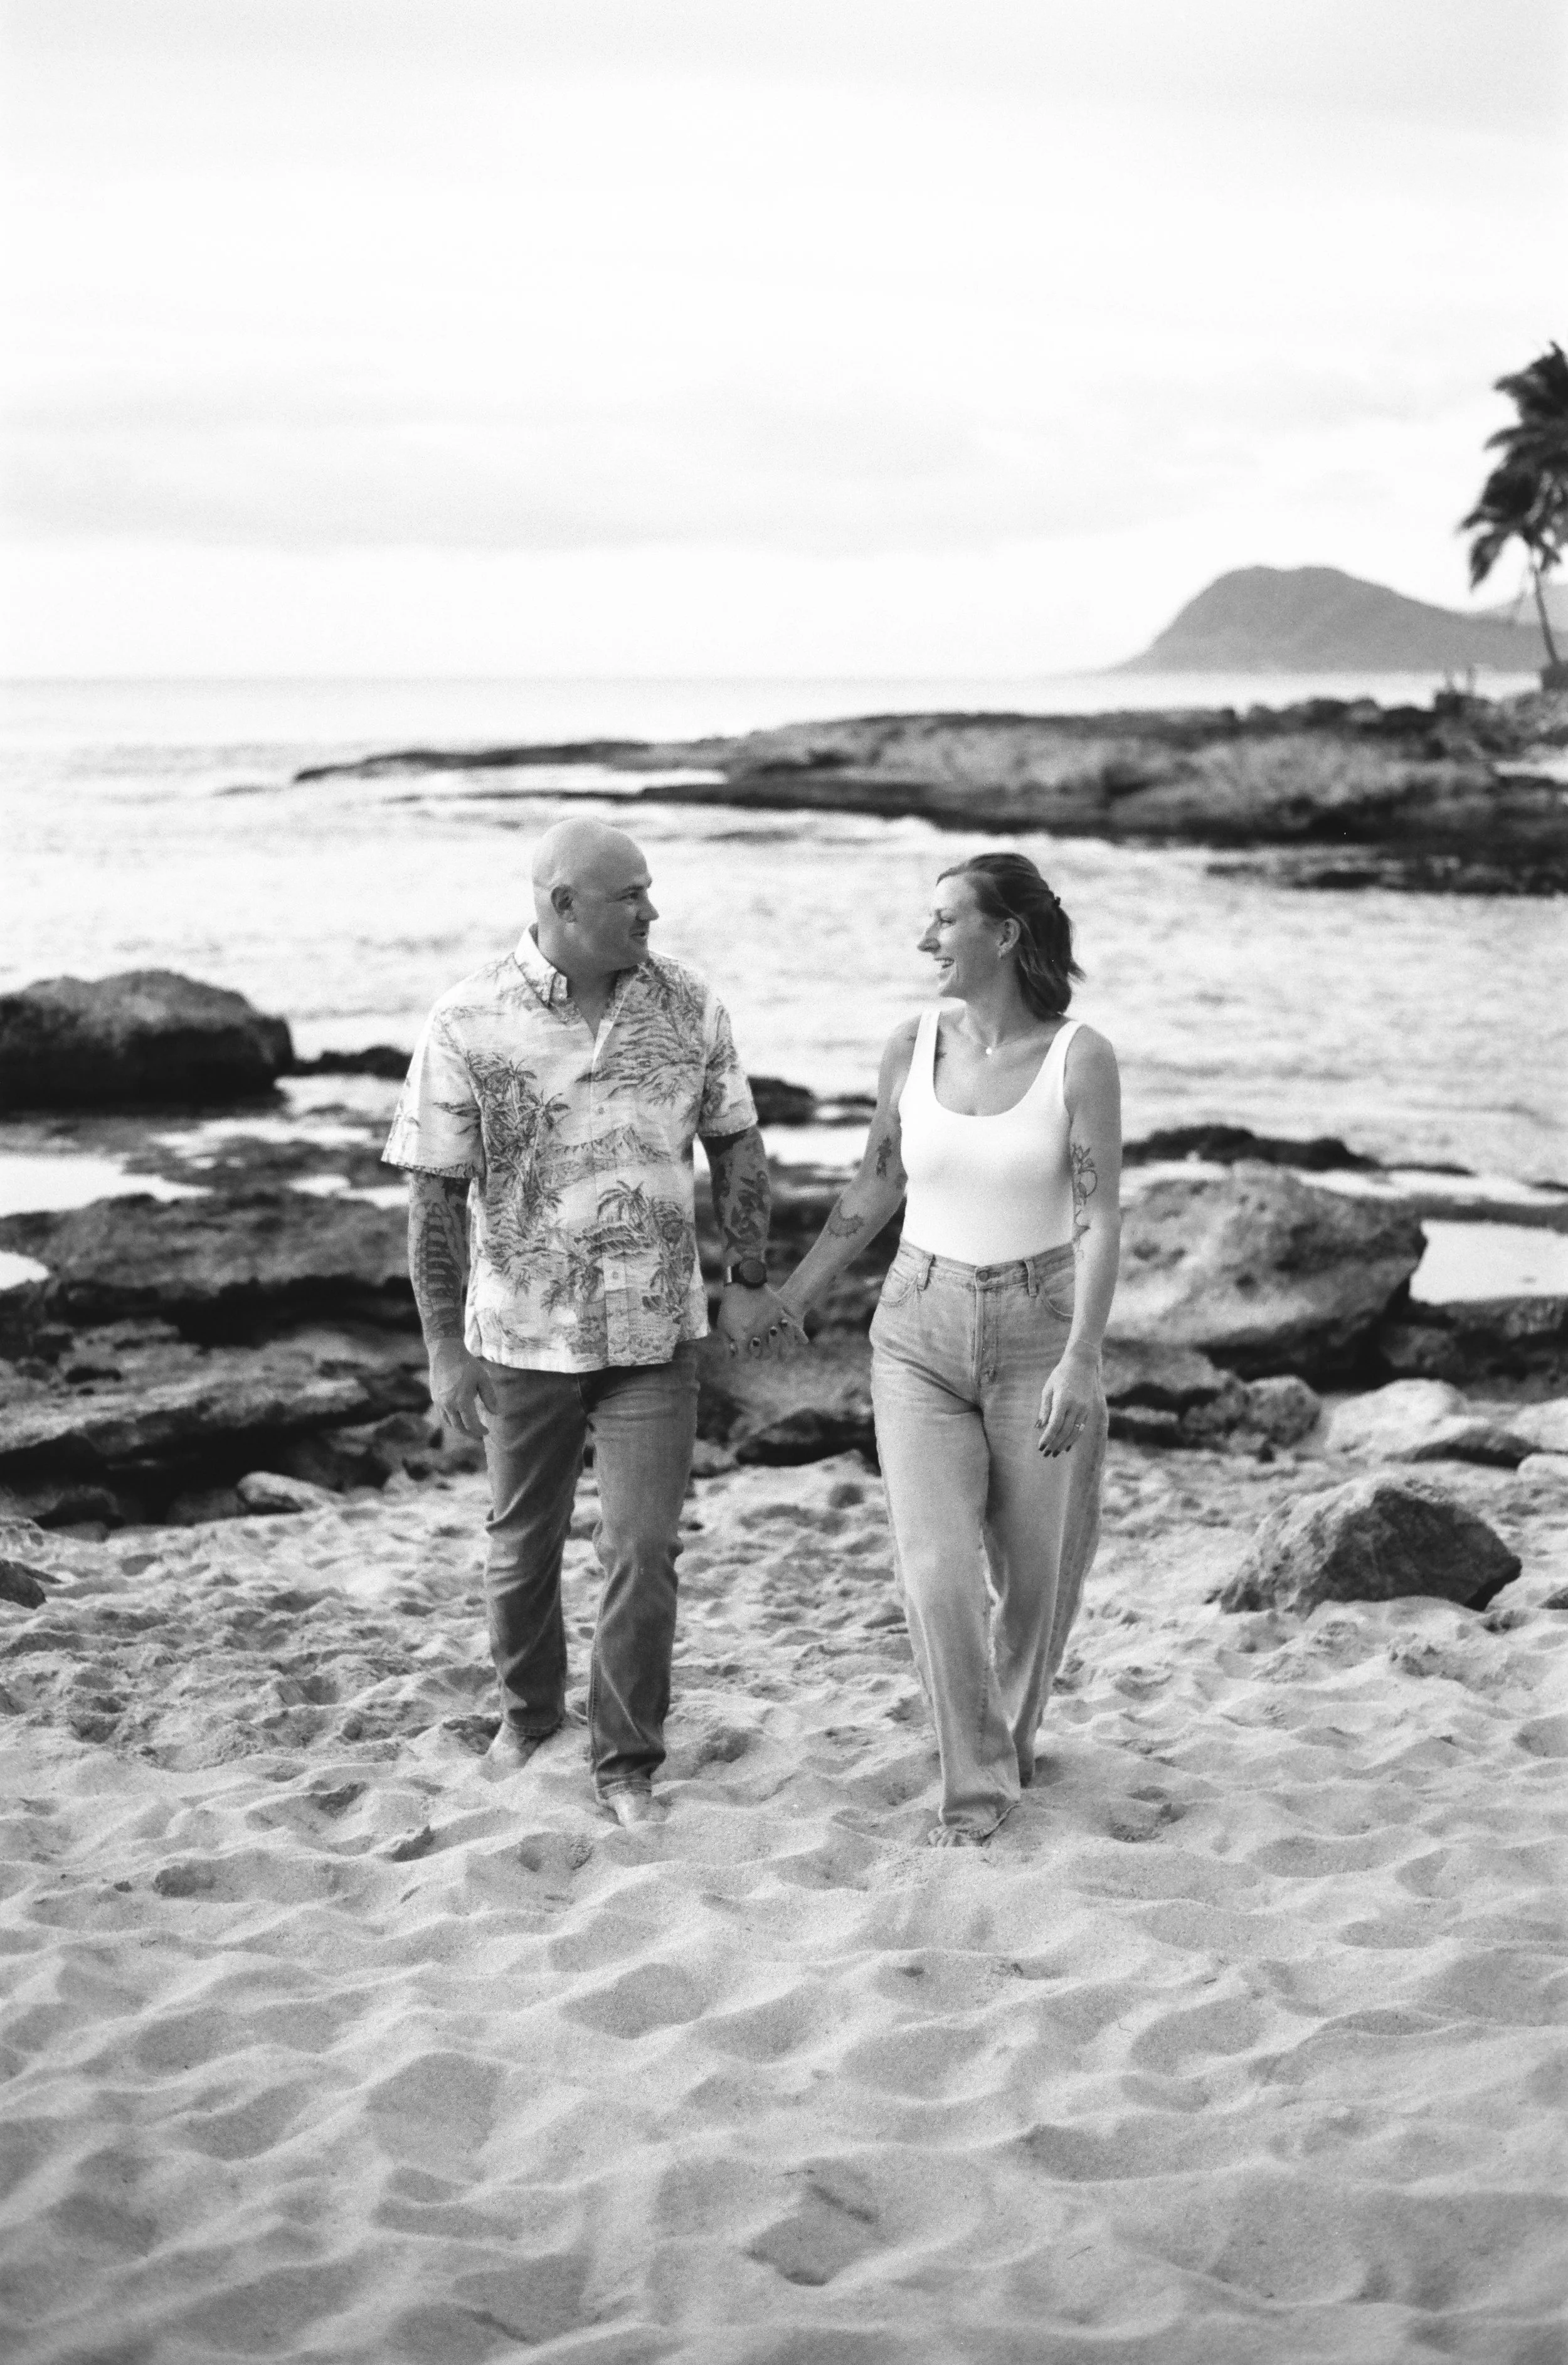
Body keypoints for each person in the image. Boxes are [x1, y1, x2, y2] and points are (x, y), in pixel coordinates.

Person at [382, 817, 798, 1827]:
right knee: (521, 1547)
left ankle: (625, 1762)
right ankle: (528, 1716)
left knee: (643, 1547)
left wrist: (746, 1271)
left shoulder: (689, 1002)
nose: (652, 912)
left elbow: (737, 1144)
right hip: (521, 1336)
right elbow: (433, 1197)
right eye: (632, 897)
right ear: (563, 906)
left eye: (651, 893)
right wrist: (443, 1349)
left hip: (655, 1332)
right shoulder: (467, 1019)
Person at [774, 852, 1120, 1846]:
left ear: (1005, 935)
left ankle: (1006, 1742)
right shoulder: (910, 1043)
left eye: (944, 921)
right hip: (917, 1324)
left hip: (1041, 1326)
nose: (926, 941)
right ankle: (975, 1791)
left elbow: (1099, 1219)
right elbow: (876, 1185)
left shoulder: (1080, 1058)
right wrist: (796, 1297)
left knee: (1035, 1576)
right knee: (937, 1572)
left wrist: (1084, 1355)